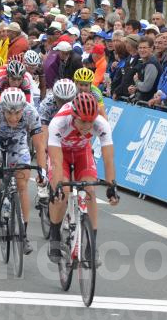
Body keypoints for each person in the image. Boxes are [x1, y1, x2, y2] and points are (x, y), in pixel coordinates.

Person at [47, 92, 119, 263]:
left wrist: (111, 186)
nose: (87, 126)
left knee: (90, 191)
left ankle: (91, 245)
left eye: (90, 121)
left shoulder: (101, 124)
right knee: (62, 192)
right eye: (83, 121)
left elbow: (108, 158)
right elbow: (56, 162)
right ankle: (55, 237)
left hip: (82, 151)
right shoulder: (59, 122)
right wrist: (56, 187)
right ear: (74, 116)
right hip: (61, 154)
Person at [0, 87, 47, 254]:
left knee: (22, 183)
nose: (13, 117)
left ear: (23, 109)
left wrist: (42, 171)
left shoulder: (31, 113)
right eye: (9, 113)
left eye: (17, 113)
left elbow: (40, 146)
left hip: (17, 142)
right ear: (2, 109)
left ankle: (23, 234)